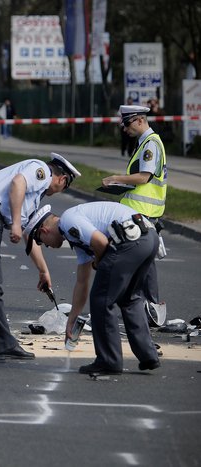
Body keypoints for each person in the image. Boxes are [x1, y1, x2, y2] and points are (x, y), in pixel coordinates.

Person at [0, 153, 81, 362]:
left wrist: (43, 271)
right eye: (64, 187)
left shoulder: (34, 196)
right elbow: (18, 182)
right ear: (62, 179)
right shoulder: (41, 171)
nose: (59, 190)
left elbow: (28, 233)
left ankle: (3, 343)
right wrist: (15, 222)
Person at [23, 201, 161, 375]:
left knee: (102, 300)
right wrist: (71, 320)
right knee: (129, 299)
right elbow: (82, 282)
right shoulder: (76, 235)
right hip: (147, 238)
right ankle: (148, 355)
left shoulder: (68, 220)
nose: (48, 246)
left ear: (44, 231)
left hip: (130, 242)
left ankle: (108, 361)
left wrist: (98, 262)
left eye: (42, 242)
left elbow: (100, 242)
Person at [102, 105, 167, 324]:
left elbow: (144, 177)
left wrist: (116, 178)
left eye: (127, 123)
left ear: (140, 120)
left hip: (144, 212)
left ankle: (150, 308)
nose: (124, 128)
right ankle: (148, 308)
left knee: (142, 261)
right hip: (141, 211)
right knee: (143, 261)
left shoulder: (151, 144)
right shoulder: (144, 143)